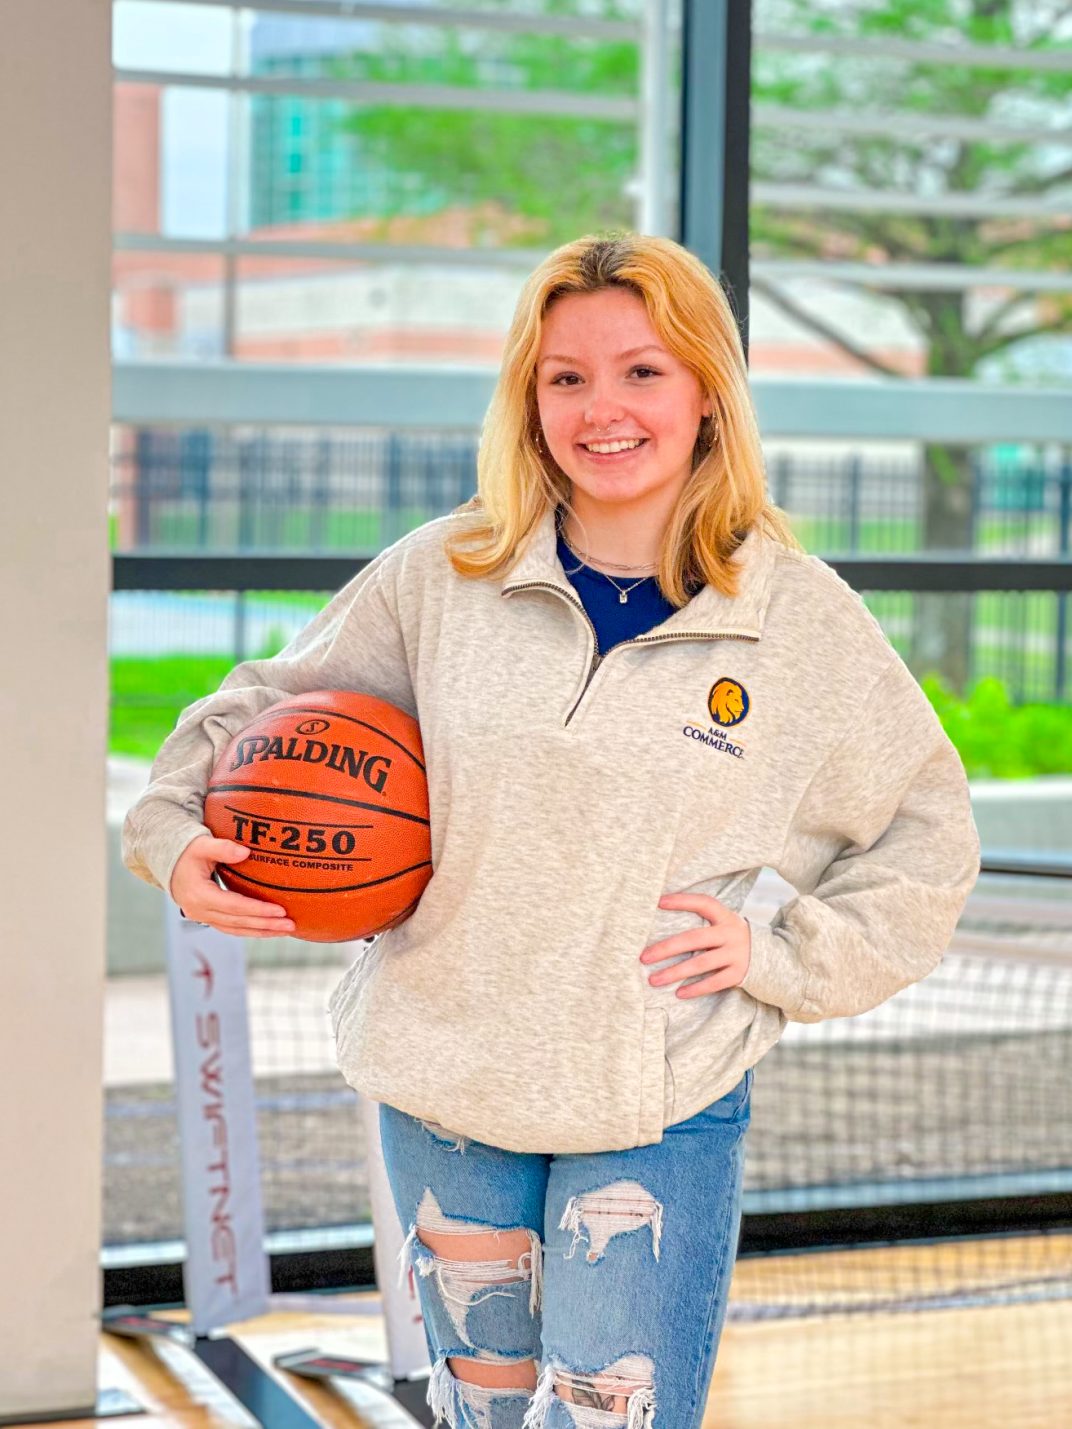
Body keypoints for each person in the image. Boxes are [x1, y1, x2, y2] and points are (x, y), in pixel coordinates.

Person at [123, 230, 981, 1429]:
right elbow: (249, 717)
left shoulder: (793, 617)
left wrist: (778, 956)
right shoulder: (443, 575)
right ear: (529, 399)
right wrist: (173, 837)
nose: (602, 408)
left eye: (641, 371)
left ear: (705, 395)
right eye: (565, 375)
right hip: (445, 1082)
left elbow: (926, 833)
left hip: (654, 1098)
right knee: (479, 1417)